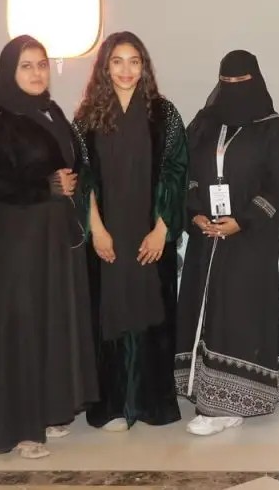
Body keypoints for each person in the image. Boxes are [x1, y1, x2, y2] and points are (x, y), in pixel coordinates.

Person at [0, 35, 97, 459]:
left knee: (45, 324)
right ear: (10, 70)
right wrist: (47, 185)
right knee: (19, 327)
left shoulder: (50, 110)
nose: (37, 73)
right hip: (8, 241)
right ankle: (19, 429)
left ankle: (45, 413)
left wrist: (68, 183)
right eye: (26, 66)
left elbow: (70, 161)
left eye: (42, 64)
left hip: (47, 238)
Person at [175, 50, 279, 435]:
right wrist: (194, 213)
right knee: (207, 309)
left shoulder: (275, 129)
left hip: (250, 240)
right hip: (206, 235)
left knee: (239, 312)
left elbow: (278, 185)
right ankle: (208, 393)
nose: (234, 90)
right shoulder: (204, 123)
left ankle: (229, 405)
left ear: (256, 81)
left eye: (241, 82)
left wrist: (241, 222)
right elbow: (188, 173)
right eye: (227, 83)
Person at [74, 31, 188, 432]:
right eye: (118, 61)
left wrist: (162, 230)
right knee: (110, 317)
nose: (126, 70)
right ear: (105, 66)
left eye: (134, 61)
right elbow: (82, 179)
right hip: (107, 237)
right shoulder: (87, 117)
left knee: (150, 316)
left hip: (150, 236)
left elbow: (177, 172)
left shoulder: (164, 115)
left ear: (145, 66)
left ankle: (150, 404)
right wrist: (97, 230)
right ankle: (113, 406)